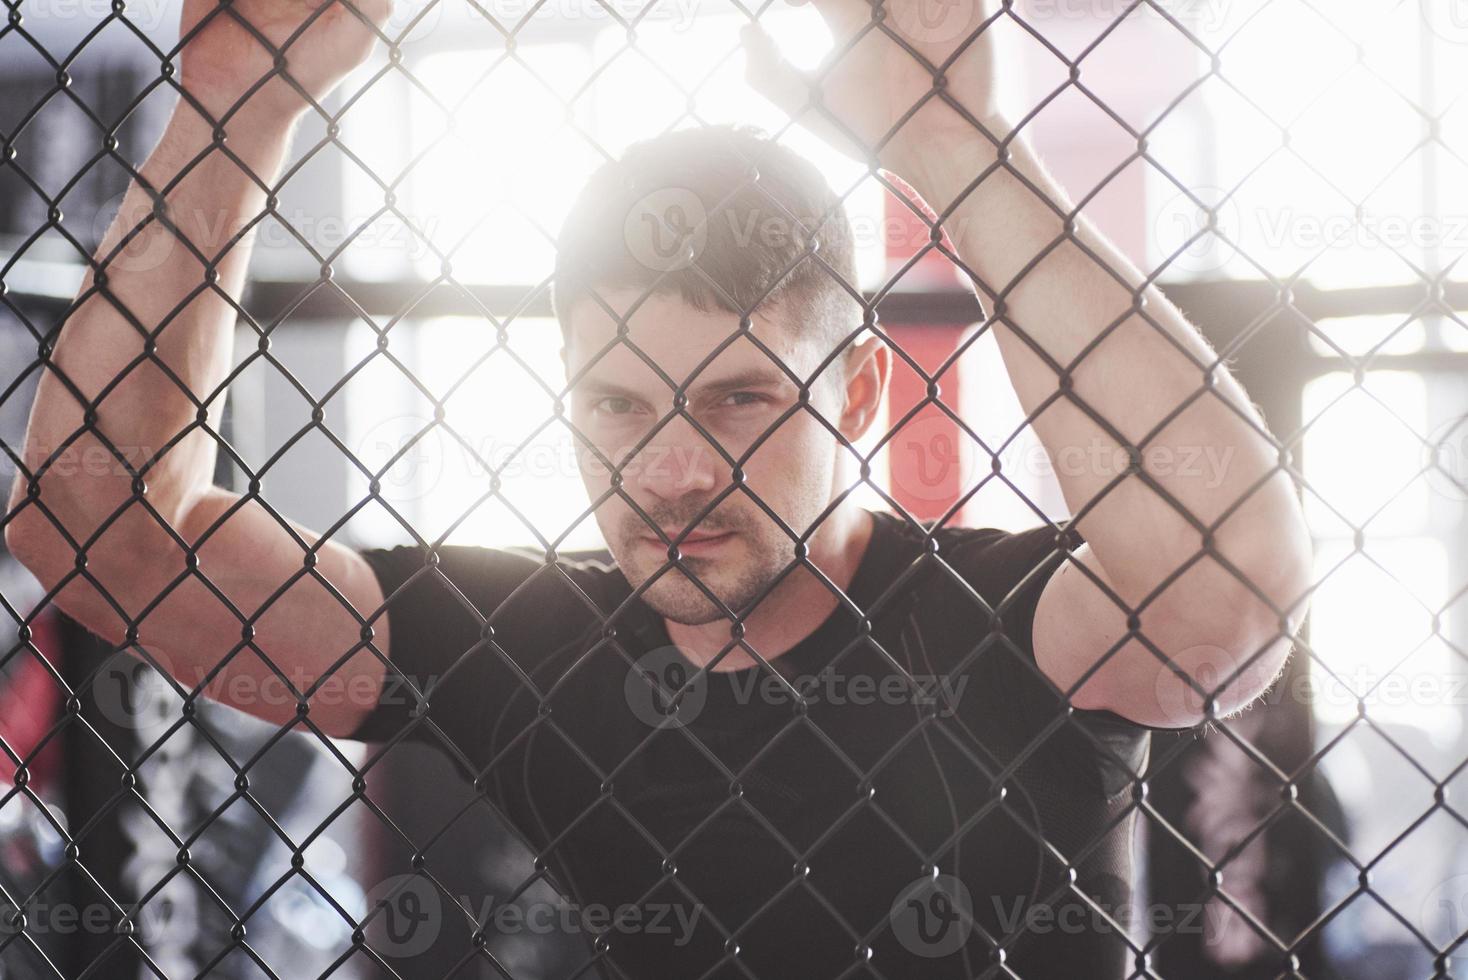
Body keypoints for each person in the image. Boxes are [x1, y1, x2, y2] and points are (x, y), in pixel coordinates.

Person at [4, 0, 1313, 974]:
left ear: (857, 392)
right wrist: (238, 97)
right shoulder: (524, 646)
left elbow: (1226, 603)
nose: (676, 473)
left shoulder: (1000, 617)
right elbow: (94, 530)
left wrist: (953, 144)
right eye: (619, 408)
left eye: (743, 401)